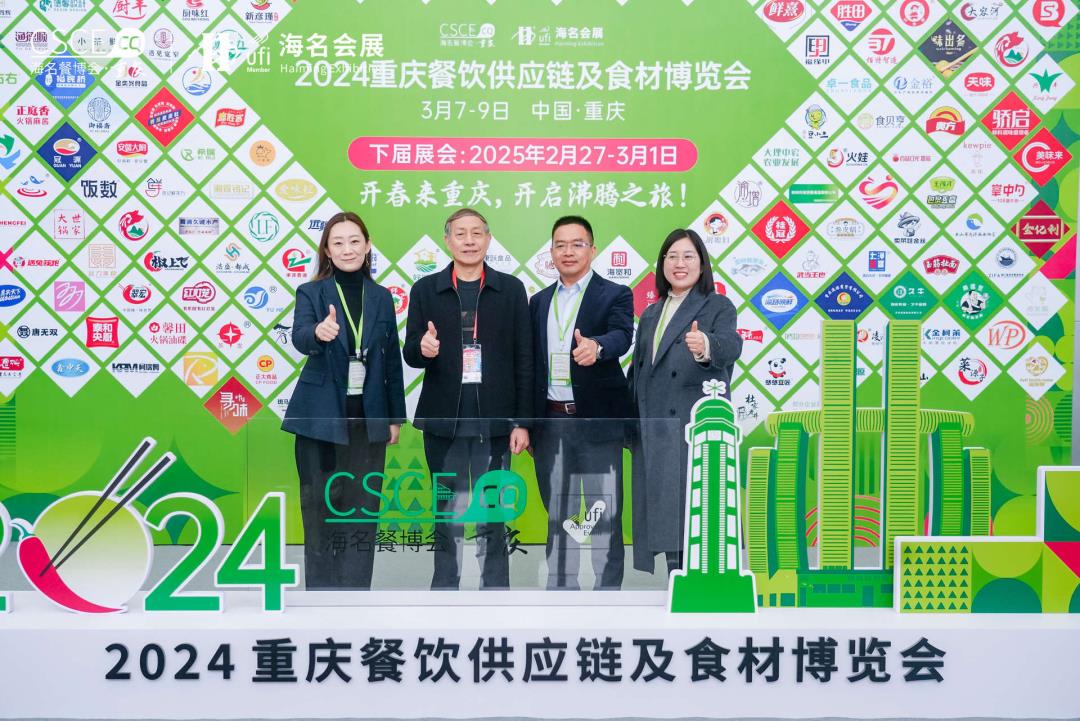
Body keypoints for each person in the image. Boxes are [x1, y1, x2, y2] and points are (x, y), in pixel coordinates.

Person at [403, 208, 533, 590]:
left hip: (495, 425)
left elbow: (525, 358)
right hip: (444, 425)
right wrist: (423, 348)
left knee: (493, 513)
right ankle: (444, 589)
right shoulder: (425, 290)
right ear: (448, 241)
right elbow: (410, 353)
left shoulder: (511, 290)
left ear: (488, 239)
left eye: (477, 233)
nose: (469, 240)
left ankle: (495, 590)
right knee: (446, 512)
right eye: (460, 233)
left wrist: (522, 422)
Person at [281, 211, 406, 590]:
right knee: (318, 509)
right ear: (327, 251)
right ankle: (321, 594)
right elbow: (300, 336)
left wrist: (394, 418)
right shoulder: (311, 293)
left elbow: (391, 361)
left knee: (363, 511)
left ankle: (355, 595)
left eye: (355, 241)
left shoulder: (381, 297)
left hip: (368, 421)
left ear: (367, 246)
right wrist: (318, 332)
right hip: (320, 421)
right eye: (338, 243)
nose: (347, 249)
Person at [629, 228, 742, 576]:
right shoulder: (652, 312)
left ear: (702, 264)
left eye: (688, 256)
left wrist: (706, 346)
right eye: (672, 256)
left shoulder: (717, 305)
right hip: (653, 426)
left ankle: (692, 588)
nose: (680, 264)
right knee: (663, 516)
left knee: (693, 517)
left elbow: (731, 345)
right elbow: (639, 371)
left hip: (689, 428)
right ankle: (675, 585)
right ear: (662, 263)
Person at [529, 216, 634, 590]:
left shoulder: (615, 294)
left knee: (605, 512)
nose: (568, 251)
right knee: (559, 511)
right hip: (551, 422)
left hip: (597, 423)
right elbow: (529, 364)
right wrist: (525, 423)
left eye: (577, 244)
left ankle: (608, 593)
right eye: (560, 245)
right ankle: (562, 589)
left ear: (592, 249)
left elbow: (622, 334)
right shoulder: (538, 302)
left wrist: (598, 347)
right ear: (551, 252)